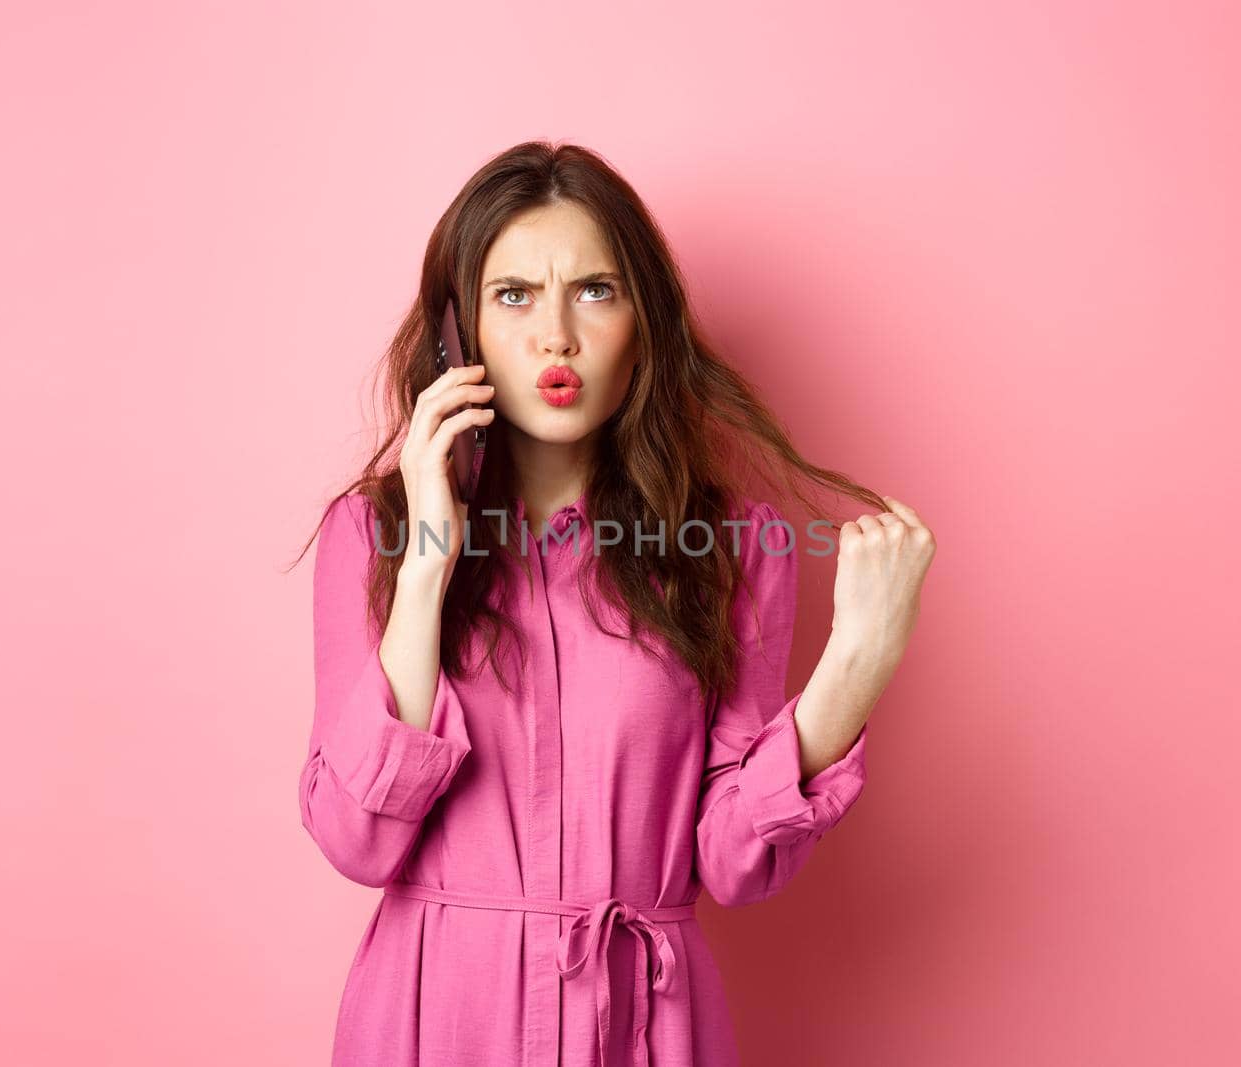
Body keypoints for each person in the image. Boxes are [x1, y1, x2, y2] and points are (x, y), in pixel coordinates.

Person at [293, 141, 936, 1067]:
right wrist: (430, 556)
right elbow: (357, 838)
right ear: (457, 331)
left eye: (595, 290)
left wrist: (857, 666)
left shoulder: (733, 548)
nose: (556, 335)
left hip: (642, 1028)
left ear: (645, 320)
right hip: (438, 1027)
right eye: (513, 295)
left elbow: (732, 860)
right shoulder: (374, 534)